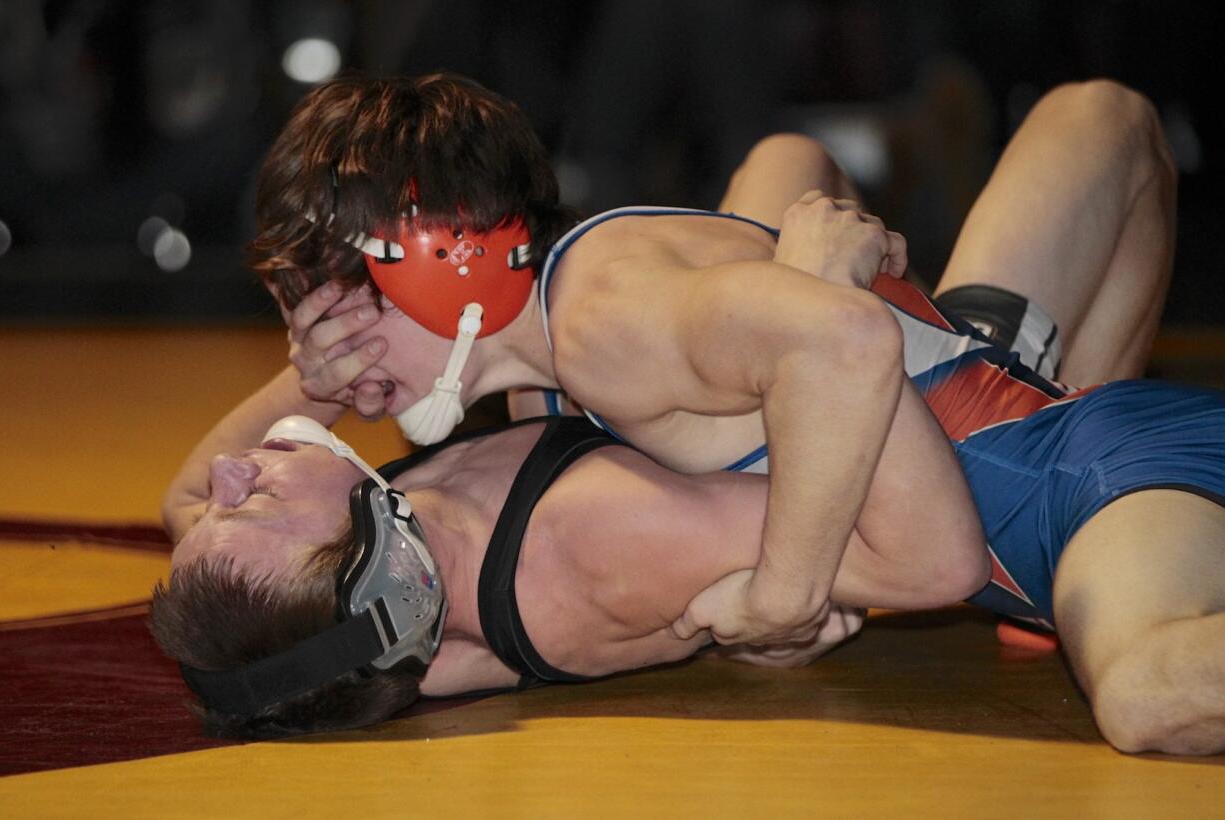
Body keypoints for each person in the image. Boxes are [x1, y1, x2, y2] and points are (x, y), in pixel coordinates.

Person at [245, 73, 1174, 650]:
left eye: (342, 322)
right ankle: (1080, 438)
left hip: (1004, 486)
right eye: (312, 339)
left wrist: (784, 592)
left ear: (454, 261)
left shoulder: (604, 330)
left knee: (1106, 118)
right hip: (968, 392)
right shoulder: (549, 358)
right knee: (1101, 116)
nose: (334, 360)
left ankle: (1119, 513)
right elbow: (795, 166)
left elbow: (851, 359)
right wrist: (320, 383)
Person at [152, 353, 1225, 756]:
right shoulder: (589, 544)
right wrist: (816, 321)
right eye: (244, 515)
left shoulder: (394, 637)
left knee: (1099, 123)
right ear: (381, 578)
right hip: (1076, 488)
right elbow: (930, 559)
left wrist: (320, 365)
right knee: (1140, 698)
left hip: (1026, 438)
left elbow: (188, 501)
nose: (229, 478)